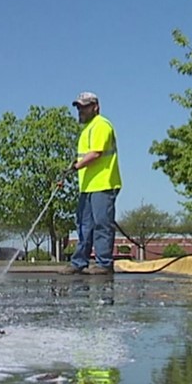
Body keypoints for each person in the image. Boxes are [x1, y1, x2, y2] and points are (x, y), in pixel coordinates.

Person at [60, 92, 122, 276]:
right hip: (87, 186)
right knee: (84, 225)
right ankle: (79, 262)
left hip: (103, 183)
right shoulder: (87, 129)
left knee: (102, 224)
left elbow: (96, 153)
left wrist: (76, 166)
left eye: (84, 107)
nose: (81, 111)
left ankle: (104, 263)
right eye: (79, 107)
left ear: (95, 107)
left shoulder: (101, 125)